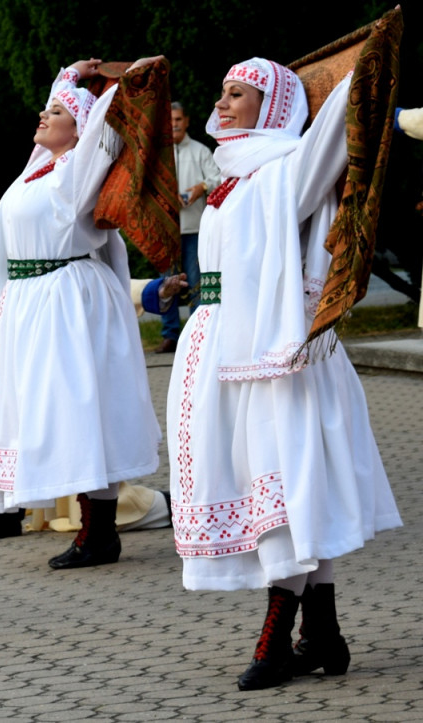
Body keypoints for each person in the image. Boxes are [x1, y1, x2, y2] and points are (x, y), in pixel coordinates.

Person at [165, 57, 402, 691]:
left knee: (283, 489)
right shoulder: (233, 178)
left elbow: (333, 131)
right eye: (221, 91)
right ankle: (322, 632)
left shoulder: (285, 171)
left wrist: (367, 64)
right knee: (282, 486)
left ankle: (276, 641)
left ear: (271, 108)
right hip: (225, 349)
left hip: (272, 360)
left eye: (237, 93)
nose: (222, 103)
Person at [0, 57, 169, 570]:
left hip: (67, 300)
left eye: (55, 110)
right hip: (32, 303)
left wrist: (123, 75)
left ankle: (98, 533)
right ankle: (93, 531)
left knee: (82, 413)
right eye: (44, 108)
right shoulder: (35, 173)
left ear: (78, 127)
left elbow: (108, 115)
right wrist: (68, 75)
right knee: (58, 416)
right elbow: (65, 114)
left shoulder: (77, 171)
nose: (43, 115)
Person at [0, 275, 185, 542]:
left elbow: (90, 276)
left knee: (100, 502)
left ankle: (178, 507)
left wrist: (154, 290)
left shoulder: (57, 268)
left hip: (63, 403)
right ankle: (2, 512)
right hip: (11, 400)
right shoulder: (11, 254)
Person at [154, 101, 219, 354]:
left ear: (187, 121)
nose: (174, 125)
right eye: (170, 121)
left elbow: (219, 177)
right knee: (166, 283)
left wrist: (201, 188)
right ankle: (170, 335)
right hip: (166, 229)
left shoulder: (200, 151)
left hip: (194, 227)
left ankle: (196, 331)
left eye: (178, 120)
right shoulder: (158, 153)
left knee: (195, 281)